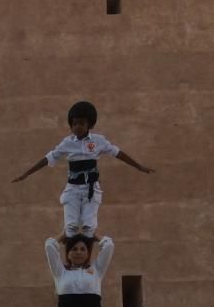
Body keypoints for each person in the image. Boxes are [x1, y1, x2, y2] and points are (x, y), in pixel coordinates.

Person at [12, 100, 153, 238]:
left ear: (89, 124)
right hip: (73, 189)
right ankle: (67, 253)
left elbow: (118, 153)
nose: (77, 127)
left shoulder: (98, 141)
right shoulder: (67, 143)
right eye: (74, 124)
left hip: (91, 189)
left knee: (88, 229)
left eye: (81, 123)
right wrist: (26, 174)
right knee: (71, 228)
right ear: (71, 126)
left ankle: (87, 256)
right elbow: (48, 158)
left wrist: (139, 167)